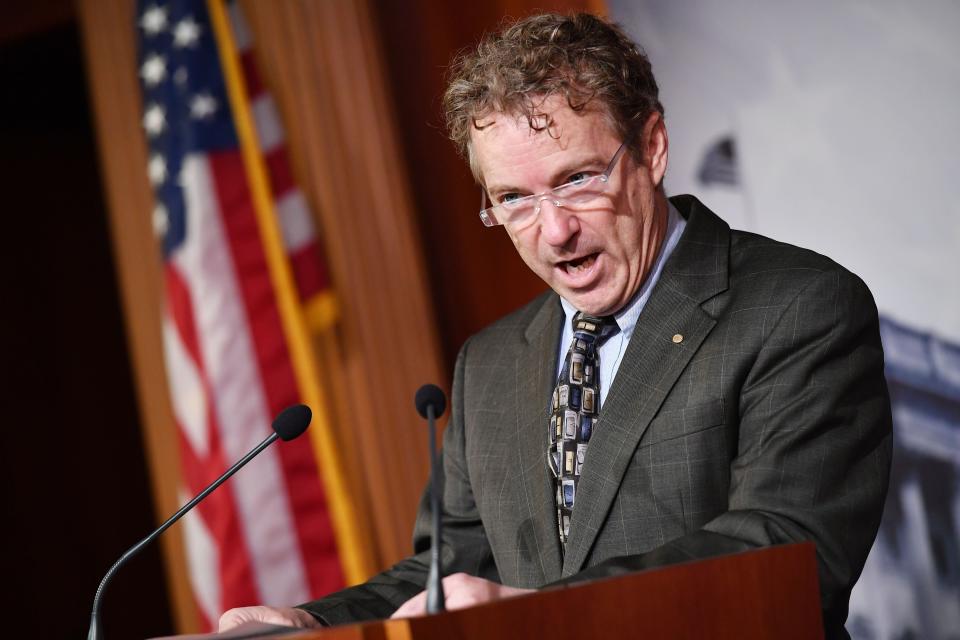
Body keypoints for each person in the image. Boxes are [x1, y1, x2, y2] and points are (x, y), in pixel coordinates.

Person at [219, 13, 891, 638]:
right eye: (514, 199)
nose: (555, 231)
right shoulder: (490, 363)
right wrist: (308, 623)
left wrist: (538, 613)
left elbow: (787, 550)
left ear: (652, 147)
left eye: (576, 180)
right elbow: (445, 575)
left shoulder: (798, 308)